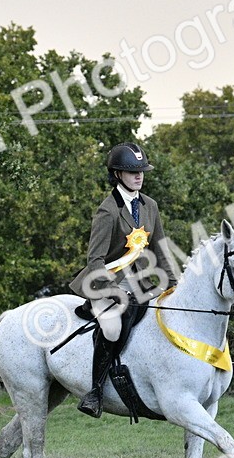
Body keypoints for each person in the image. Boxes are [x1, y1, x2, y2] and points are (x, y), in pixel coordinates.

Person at [69, 142, 178, 417]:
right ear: (117, 174)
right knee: (114, 329)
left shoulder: (150, 206)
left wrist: (174, 283)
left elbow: (161, 249)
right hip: (106, 282)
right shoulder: (108, 210)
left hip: (139, 282)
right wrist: (111, 292)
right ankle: (94, 392)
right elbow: (94, 260)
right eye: (132, 172)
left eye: (141, 171)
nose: (139, 176)